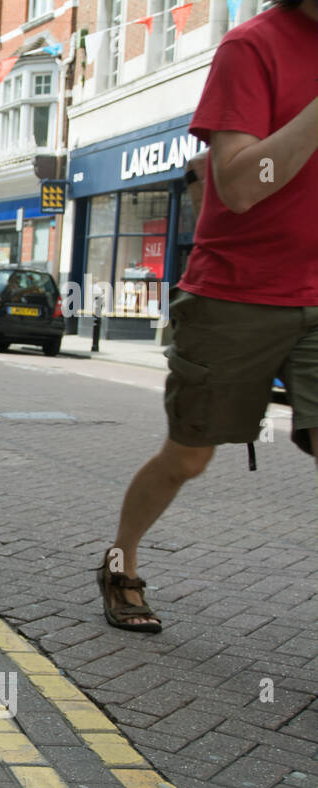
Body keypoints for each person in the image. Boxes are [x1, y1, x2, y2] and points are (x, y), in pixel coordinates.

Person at [98, 0, 318, 632]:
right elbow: (244, 184)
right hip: (236, 295)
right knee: (189, 457)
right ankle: (120, 561)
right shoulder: (252, 47)